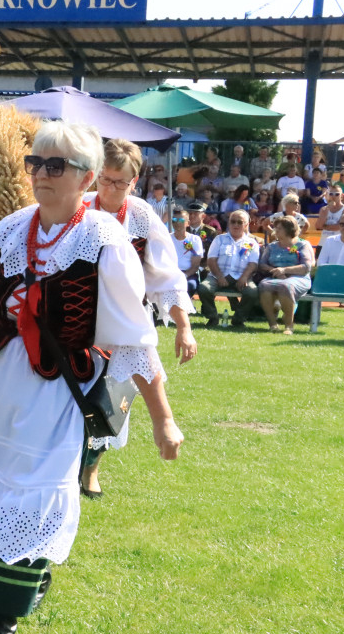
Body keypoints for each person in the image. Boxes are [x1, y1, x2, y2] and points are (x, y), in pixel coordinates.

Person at [0, 121, 182, 634]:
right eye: (35, 162)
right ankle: (12, 582)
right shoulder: (8, 230)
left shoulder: (105, 238)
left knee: (34, 488)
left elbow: (134, 337)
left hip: (54, 391)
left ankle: (6, 613)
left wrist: (163, 421)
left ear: (85, 178)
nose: (41, 174)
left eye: (55, 165)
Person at [80, 138, 195, 500]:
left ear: (135, 181)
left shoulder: (142, 215)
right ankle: (63, 466)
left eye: (119, 182)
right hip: (78, 317)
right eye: (104, 179)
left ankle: (91, 468)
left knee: (111, 400)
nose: (110, 187)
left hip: (126, 319)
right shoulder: (79, 207)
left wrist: (184, 326)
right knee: (70, 396)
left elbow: (165, 275)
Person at [197, 210, 261, 328]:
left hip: (241, 276)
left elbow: (253, 264)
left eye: (239, 222)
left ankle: (238, 320)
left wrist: (244, 277)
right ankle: (212, 317)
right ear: (228, 223)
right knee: (204, 288)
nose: (236, 225)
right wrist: (219, 276)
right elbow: (211, 260)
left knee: (252, 292)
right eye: (233, 221)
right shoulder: (219, 239)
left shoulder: (252, 243)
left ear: (246, 225)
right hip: (218, 275)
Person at [256, 216, 314, 335]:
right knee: (264, 285)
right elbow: (262, 264)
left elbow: (306, 267)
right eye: (275, 228)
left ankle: (289, 325)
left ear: (289, 230)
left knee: (286, 286)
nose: (275, 230)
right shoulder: (271, 247)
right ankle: (273, 324)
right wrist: (275, 271)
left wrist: (285, 270)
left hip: (299, 278)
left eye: (279, 228)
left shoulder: (302, 245)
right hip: (275, 276)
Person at [170, 207, 203, 295]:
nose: (177, 223)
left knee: (190, 286)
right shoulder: (167, 238)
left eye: (180, 220)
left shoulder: (195, 239)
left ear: (188, 223)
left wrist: (184, 276)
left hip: (188, 275)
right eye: (174, 220)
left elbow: (195, 266)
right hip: (170, 274)